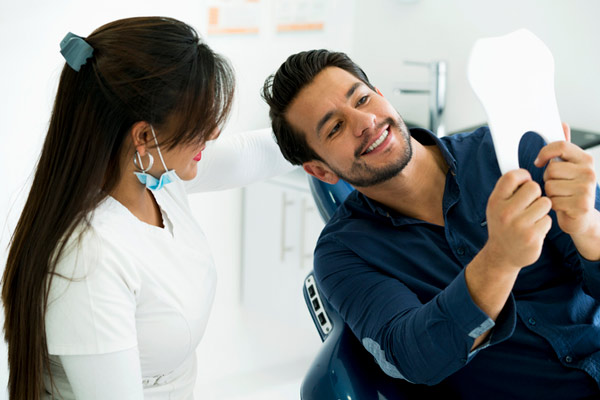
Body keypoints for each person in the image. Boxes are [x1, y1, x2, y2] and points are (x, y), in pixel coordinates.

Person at [261, 49, 600, 399]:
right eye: (335, 128)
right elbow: (413, 358)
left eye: (362, 99)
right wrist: (499, 260)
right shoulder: (342, 255)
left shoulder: (510, 151)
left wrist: (589, 226)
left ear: (381, 96)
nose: (364, 123)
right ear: (321, 171)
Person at [2, 17, 293, 400]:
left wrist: (342, 128)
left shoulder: (156, 178)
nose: (214, 133)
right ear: (143, 136)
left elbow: (252, 154)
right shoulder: (89, 259)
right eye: (200, 121)